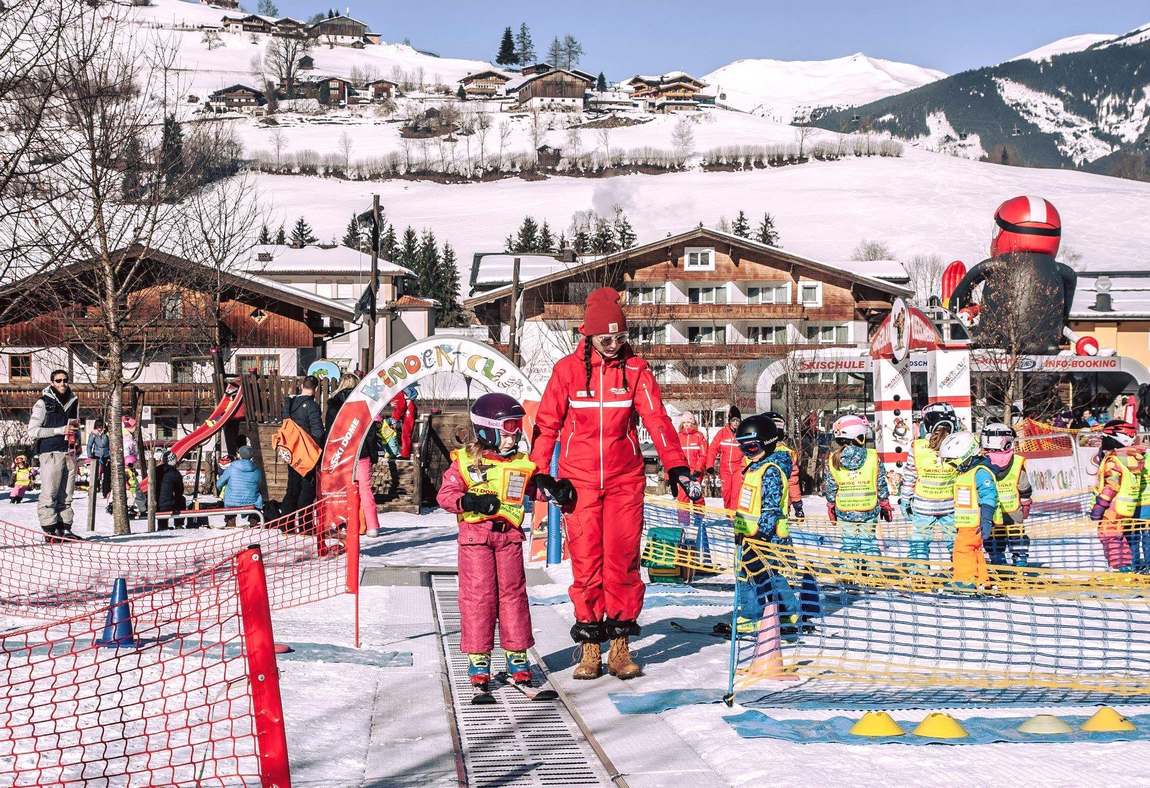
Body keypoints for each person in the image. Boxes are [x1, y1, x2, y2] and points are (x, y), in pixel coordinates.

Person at [530, 287, 696, 681]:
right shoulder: (567, 372)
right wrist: (540, 473)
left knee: (622, 561)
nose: (613, 346)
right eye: (606, 339)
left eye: (620, 338)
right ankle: (590, 644)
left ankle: (620, 645)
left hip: (625, 480)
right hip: (580, 482)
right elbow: (547, 425)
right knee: (587, 563)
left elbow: (657, 420)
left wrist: (675, 465)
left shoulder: (636, 370)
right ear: (587, 336)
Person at [437, 393, 572, 690]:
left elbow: (534, 490)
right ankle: (478, 657)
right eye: (508, 428)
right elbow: (445, 495)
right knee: (479, 597)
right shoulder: (465, 462)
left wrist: (555, 490)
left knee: (513, 596)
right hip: (476, 540)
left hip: (509, 538)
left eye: (517, 427)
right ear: (487, 430)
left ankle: (517, 654)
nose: (514, 436)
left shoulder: (521, 464)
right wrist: (468, 500)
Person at [731, 414, 799, 634]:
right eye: (742, 448)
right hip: (748, 535)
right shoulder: (756, 466)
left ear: (767, 443)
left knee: (764, 577)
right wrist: (741, 530)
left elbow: (771, 508)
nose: (746, 453)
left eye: (751, 448)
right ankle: (769, 613)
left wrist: (760, 534)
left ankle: (773, 615)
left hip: (765, 537)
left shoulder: (770, 470)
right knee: (752, 575)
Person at [824, 414, 891, 558]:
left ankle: (848, 574)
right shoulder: (872, 456)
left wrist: (830, 504)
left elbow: (830, 486)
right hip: (868, 509)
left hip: (845, 510)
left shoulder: (833, 459)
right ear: (859, 435)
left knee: (849, 544)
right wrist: (885, 502)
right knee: (869, 543)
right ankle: (874, 572)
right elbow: (880, 483)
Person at [939, 431, 998, 589]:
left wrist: (986, 519)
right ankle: (981, 579)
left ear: (967, 455)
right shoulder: (967, 473)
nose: (953, 465)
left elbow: (988, 496)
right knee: (974, 550)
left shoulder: (980, 473)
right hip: (967, 523)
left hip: (974, 523)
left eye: (954, 461)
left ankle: (965, 581)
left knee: (963, 550)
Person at [901, 403, 959, 562]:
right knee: (955, 542)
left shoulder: (918, 446)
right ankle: (960, 571)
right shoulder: (959, 445)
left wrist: (905, 499)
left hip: (923, 506)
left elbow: (910, 476)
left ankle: (919, 574)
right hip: (951, 505)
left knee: (920, 542)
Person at [27, 370, 79, 537]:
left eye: (65, 380)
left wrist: (76, 441)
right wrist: (59, 430)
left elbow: (75, 426)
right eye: (58, 380)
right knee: (50, 493)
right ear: (52, 382)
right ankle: (50, 530)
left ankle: (65, 528)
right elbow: (33, 431)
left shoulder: (73, 401)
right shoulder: (43, 403)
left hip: (69, 452)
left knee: (67, 494)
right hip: (50, 452)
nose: (62, 383)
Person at [1090, 420, 1142, 572]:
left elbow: (1111, 485)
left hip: (1112, 506)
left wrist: (1100, 506)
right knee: (1119, 539)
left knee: (1109, 537)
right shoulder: (1132, 458)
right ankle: (1123, 568)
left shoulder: (1114, 460)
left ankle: (1120, 570)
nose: (1103, 442)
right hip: (1126, 507)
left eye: (1105, 438)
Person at [981, 423, 1033, 567]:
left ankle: (998, 562)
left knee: (994, 539)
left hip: (991, 511)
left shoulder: (982, 463)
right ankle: (1020, 562)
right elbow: (1024, 486)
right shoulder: (1016, 461)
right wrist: (1026, 503)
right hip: (1014, 511)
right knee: (1018, 538)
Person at [281, 375, 325, 515]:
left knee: (292, 487)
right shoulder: (312, 406)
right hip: (307, 452)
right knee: (307, 488)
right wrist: (319, 451)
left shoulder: (290, 403)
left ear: (301, 386)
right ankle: (306, 524)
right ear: (316, 389)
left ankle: (286, 522)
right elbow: (317, 431)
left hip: (292, 450)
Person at [765, 411, 804, 518]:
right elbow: (793, 480)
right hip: (766, 506)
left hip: (773, 506)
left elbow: (792, 480)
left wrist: (797, 503)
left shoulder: (754, 453)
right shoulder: (788, 453)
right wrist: (797, 503)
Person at [705, 406, 743, 510]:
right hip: (725, 469)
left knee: (736, 493)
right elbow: (712, 449)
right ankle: (728, 516)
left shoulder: (742, 434)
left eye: (737, 420)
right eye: (733, 420)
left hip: (738, 468)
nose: (735, 423)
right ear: (729, 421)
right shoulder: (722, 433)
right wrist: (709, 465)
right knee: (726, 493)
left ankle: (734, 518)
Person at [217, 445, 265, 528]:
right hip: (252, 501)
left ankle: (230, 521)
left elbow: (219, 483)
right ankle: (254, 521)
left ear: (240, 455)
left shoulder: (232, 468)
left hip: (232, 501)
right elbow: (260, 484)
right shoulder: (257, 469)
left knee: (229, 501)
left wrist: (220, 489)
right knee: (257, 498)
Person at [155, 449, 186, 530]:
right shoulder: (175, 473)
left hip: (155, 502)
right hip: (167, 504)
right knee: (181, 499)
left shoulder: (156, 470)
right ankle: (179, 523)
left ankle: (162, 525)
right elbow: (179, 491)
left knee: (162, 501)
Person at [86, 419, 111, 500]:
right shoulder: (93, 434)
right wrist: (90, 456)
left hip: (106, 456)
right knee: (96, 474)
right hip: (96, 456)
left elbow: (110, 445)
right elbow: (89, 445)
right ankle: (94, 489)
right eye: (98, 427)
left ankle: (106, 491)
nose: (99, 429)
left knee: (107, 475)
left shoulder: (106, 435)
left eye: (101, 427)